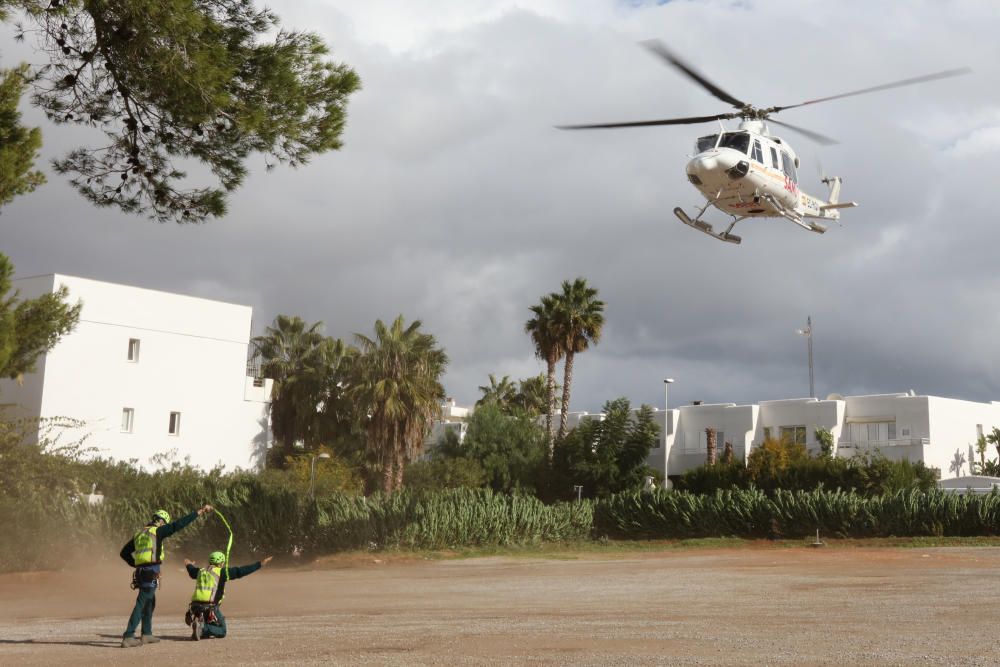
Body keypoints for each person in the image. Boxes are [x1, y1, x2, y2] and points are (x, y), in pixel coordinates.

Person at [119, 504, 213, 648]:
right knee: (142, 603)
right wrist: (199, 512)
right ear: (162, 521)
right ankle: (128, 635)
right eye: (165, 523)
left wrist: (136, 564)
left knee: (150, 602)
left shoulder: (140, 533)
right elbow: (179, 524)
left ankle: (147, 634)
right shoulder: (158, 531)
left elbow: (124, 553)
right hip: (151, 571)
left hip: (141, 572)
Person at [184, 551, 273, 639]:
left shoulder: (200, 571)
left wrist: (188, 562)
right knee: (222, 631)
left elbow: (190, 568)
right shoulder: (222, 572)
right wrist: (260, 564)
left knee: (211, 627)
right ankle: (202, 628)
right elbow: (241, 571)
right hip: (210, 607)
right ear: (221, 563)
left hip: (194, 606)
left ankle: (200, 629)